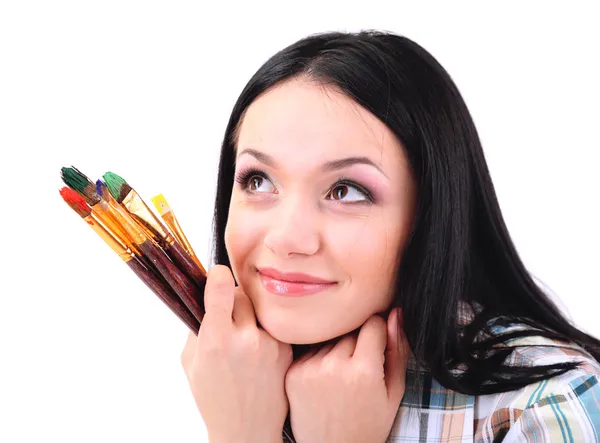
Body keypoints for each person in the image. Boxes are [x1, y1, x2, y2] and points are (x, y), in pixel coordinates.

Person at [180, 30, 600, 442]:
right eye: (258, 181)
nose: (287, 238)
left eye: (345, 190)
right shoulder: (235, 374)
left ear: (429, 212)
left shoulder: (547, 407)